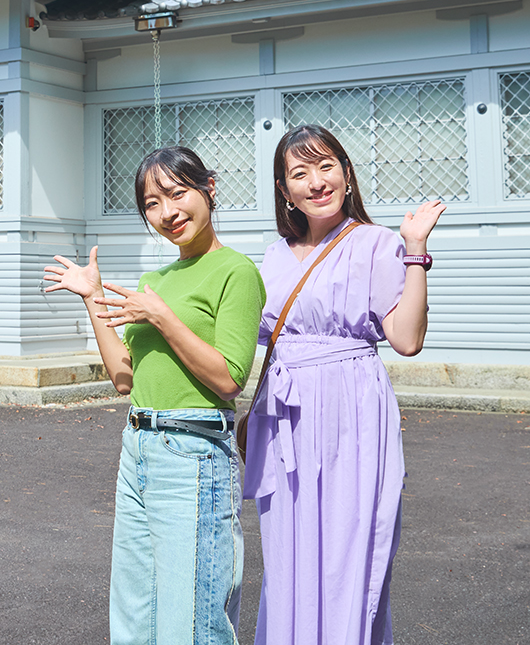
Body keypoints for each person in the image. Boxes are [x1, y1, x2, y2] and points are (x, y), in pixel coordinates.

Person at [44, 146, 264, 645]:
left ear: (209, 188)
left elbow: (229, 379)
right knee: (134, 615)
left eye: (178, 193)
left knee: (192, 619)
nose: (167, 212)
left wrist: (162, 316)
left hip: (193, 452)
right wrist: (93, 297)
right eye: (151, 203)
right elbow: (124, 378)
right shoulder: (154, 281)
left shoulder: (235, 271)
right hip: (138, 446)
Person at [243, 125, 445, 645]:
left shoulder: (377, 243)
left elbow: (406, 339)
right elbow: (253, 337)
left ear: (347, 174)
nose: (316, 181)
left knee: (347, 550)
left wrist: (415, 248)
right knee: (288, 553)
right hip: (286, 420)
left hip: (351, 412)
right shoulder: (273, 255)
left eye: (326, 166)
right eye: (300, 173)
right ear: (284, 190)